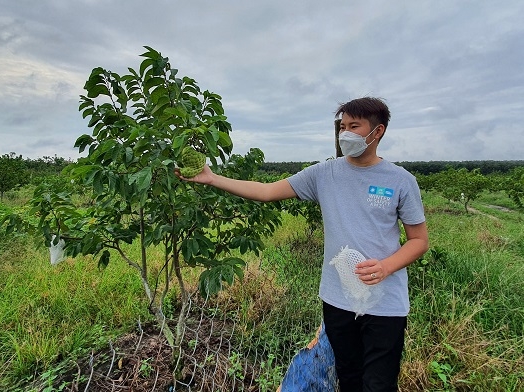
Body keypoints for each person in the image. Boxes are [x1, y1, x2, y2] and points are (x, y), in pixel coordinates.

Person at [176, 97, 429, 391]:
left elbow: (419, 240)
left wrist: (386, 266)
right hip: (338, 298)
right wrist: (212, 178)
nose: (345, 133)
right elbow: (267, 191)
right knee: (347, 377)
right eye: (342, 126)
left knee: (378, 384)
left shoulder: (401, 180)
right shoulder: (324, 173)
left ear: (378, 131)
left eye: (354, 126)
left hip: (385, 303)